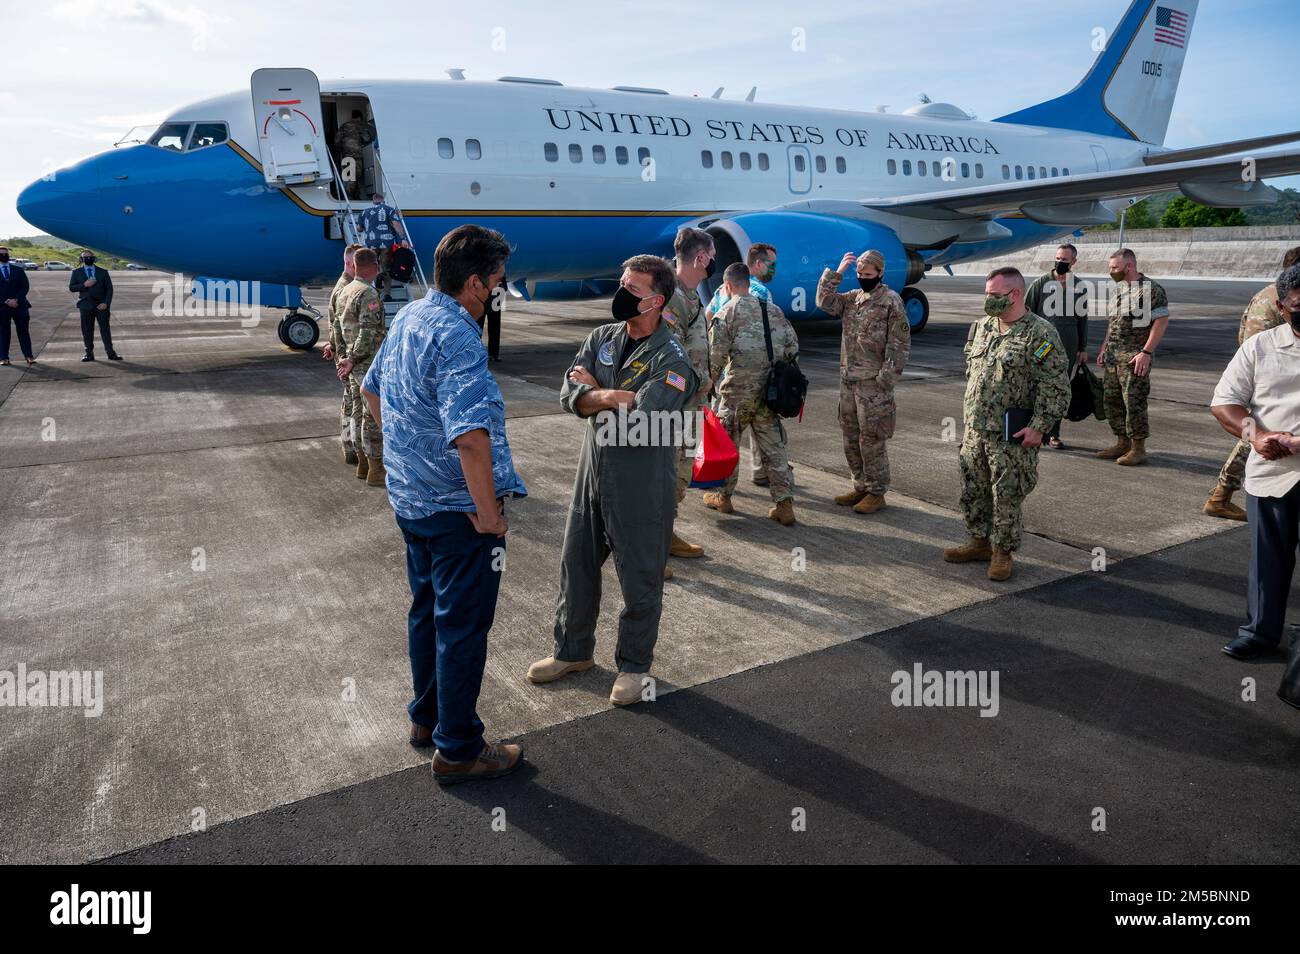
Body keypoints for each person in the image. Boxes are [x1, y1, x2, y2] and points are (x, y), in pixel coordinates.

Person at [361, 224, 526, 784]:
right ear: (476, 284)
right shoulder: (458, 336)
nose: (501, 292)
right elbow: (472, 437)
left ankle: (426, 719)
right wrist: (487, 513)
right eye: (499, 283)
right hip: (457, 513)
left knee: (426, 612)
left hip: (411, 504)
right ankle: (457, 750)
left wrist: (408, 460)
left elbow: (371, 391)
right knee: (461, 627)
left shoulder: (409, 316)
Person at [528, 255, 698, 707]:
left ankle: (634, 667)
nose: (622, 292)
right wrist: (611, 396)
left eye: (633, 288)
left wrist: (594, 394)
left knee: (640, 577)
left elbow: (646, 419)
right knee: (576, 566)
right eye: (622, 283)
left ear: (656, 301)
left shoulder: (672, 356)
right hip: (593, 472)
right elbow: (569, 396)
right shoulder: (601, 338)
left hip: (641, 482)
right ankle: (572, 651)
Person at [944, 267, 1069, 581]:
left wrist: (1039, 426)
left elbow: (1055, 384)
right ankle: (978, 540)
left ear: (1014, 294)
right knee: (973, 487)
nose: (988, 300)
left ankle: (1002, 552)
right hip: (975, 427)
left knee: (1007, 494)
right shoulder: (982, 327)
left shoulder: (1039, 333)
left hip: (1010, 432)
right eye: (986, 294)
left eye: (994, 295)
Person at [1209, 265, 1300, 684]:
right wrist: (1257, 435)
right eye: (1299, 306)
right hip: (1273, 473)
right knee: (1267, 563)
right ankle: (1260, 634)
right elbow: (1225, 403)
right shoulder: (1260, 347)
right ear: (1282, 307)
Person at [1204, 245, 1300, 520]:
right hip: (1266, 379)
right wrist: (1257, 434)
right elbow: (1226, 402)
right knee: (1255, 438)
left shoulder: (1269, 294)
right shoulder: (1265, 334)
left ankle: (1221, 494)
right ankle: (1221, 494)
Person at [704, 263, 800, 525]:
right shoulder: (774, 311)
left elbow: (715, 359)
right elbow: (792, 348)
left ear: (727, 286)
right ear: (748, 282)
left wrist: (706, 386)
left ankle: (723, 497)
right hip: (769, 393)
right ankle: (784, 504)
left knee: (728, 445)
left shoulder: (726, 313)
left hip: (736, 393)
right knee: (774, 448)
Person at [816, 248, 910, 514]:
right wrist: (839, 272)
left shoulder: (890, 301)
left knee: (872, 439)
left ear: (880, 273)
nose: (862, 277)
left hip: (873, 384)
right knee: (850, 436)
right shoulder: (852, 298)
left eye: (867, 274)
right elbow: (824, 301)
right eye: (859, 273)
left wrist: (886, 379)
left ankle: (876, 491)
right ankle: (860, 485)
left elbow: (899, 343)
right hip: (849, 381)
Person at [661, 227, 715, 569]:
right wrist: (700, 380)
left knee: (678, 476)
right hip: (672, 408)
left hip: (691, 405)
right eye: (711, 258)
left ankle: (664, 534)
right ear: (699, 258)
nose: (712, 265)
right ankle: (648, 552)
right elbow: (667, 357)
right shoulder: (672, 297)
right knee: (662, 476)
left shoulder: (691, 297)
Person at [1096, 248, 1168, 466]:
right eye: (1110, 268)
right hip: (1113, 355)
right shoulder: (1120, 289)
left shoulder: (1150, 290)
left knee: (1134, 402)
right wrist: (1104, 348)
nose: (1111, 272)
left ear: (1129, 266)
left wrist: (1146, 352)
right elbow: (1113, 322)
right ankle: (1122, 441)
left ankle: (1138, 448)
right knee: (1111, 401)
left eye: (1115, 268)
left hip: (1134, 356)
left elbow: (1161, 321)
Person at [1024, 243, 1089, 449]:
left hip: (1068, 344)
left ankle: (1053, 434)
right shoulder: (1040, 283)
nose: (1060, 262)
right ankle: (1032, 429)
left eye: (1065, 260)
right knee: (1036, 384)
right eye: (1058, 258)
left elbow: (1083, 319)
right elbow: (1026, 313)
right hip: (1043, 344)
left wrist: (1082, 347)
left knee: (1061, 387)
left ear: (1074, 262)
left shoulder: (1079, 286)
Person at [335, 249, 386, 485]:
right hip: (367, 364)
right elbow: (368, 332)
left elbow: (337, 327)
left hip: (352, 364)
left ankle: (363, 465)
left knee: (356, 412)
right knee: (372, 417)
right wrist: (354, 358)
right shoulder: (368, 293)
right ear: (374, 266)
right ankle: (376, 468)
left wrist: (343, 357)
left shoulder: (345, 290)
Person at [322, 244, 361, 465]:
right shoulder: (345, 288)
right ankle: (351, 447)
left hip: (345, 353)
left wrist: (332, 345)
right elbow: (340, 325)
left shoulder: (346, 284)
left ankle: (350, 446)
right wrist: (338, 349)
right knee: (351, 404)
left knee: (349, 403)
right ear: (348, 263)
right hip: (349, 357)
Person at [69, 251, 119, 362]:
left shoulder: (103, 272)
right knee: (87, 330)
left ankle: (111, 353)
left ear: (94, 258)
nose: (88, 258)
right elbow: (72, 288)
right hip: (85, 305)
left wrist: (106, 303)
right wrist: (84, 285)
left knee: (105, 329)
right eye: (85, 257)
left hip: (101, 305)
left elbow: (109, 289)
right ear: (81, 259)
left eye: (90, 257)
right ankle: (89, 353)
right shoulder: (76, 272)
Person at [358, 192, 409, 299]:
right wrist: (403, 239)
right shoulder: (389, 210)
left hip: (370, 243)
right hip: (387, 242)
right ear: (383, 200)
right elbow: (396, 224)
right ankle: (386, 293)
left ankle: (374, 289)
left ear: (373, 201)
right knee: (387, 266)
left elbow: (359, 228)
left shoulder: (364, 212)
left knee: (372, 265)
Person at [0, 247, 34, 366]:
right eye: (1, 254)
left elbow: (25, 286)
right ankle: (4, 357)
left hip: (20, 305)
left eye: (6, 254)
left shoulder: (18, 270)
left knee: (23, 332)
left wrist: (16, 299)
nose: (4, 256)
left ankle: (29, 356)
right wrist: (6, 301)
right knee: (3, 333)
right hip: (2, 307)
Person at [333, 109, 374, 200]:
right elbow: (367, 139)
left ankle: (352, 196)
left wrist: (341, 150)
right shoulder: (361, 126)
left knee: (348, 176)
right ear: (360, 117)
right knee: (355, 176)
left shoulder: (344, 126)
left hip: (345, 155)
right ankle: (350, 196)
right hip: (357, 155)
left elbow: (337, 141)